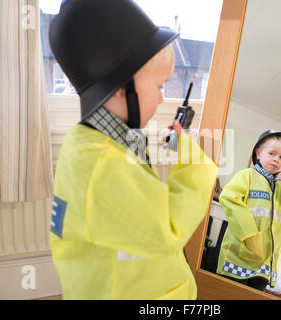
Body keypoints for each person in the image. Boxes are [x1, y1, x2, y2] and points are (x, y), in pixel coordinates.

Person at [48, 0, 217, 299]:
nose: (163, 99)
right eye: (160, 86)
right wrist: (194, 162)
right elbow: (167, 226)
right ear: (120, 86)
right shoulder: (101, 163)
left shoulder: (95, 143)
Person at [216, 130, 281, 291]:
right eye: (272, 153)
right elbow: (229, 198)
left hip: (266, 263)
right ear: (258, 154)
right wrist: (250, 235)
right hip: (238, 256)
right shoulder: (246, 176)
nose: (276, 159)